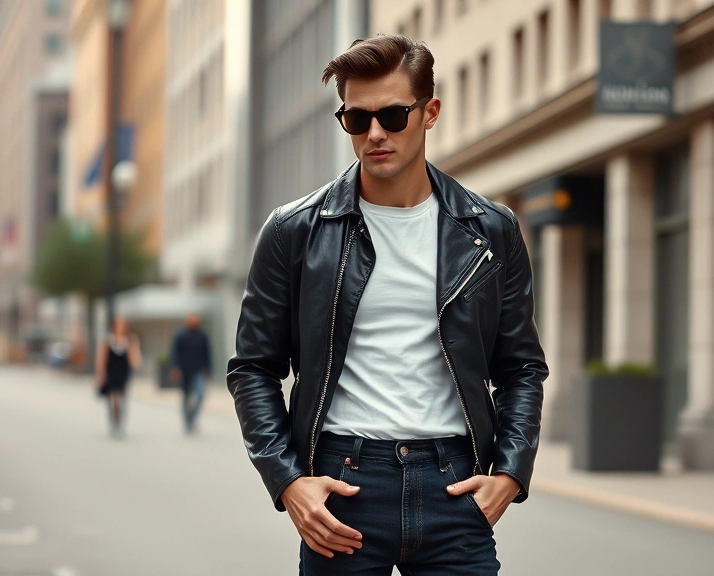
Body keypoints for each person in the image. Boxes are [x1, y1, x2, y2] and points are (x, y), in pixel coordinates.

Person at [227, 35, 547, 575]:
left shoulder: (490, 230)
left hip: (454, 487)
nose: (375, 133)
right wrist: (287, 481)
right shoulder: (295, 231)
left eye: (394, 115)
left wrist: (511, 474)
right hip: (344, 488)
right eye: (357, 119)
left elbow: (520, 367)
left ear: (430, 112)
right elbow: (253, 368)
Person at [95, 317, 141, 438]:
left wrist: (136, 364)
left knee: (121, 399)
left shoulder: (130, 340)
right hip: (111, 372)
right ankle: (114, 423)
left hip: (124, 373)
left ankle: (120, 423)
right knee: (113, 399)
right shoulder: (108, 340)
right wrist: (100, 375)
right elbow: (102, 359)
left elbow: (135, 357)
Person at [170, 312, 212, 435]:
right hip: (184, 371)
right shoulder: (180, 335)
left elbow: (207, 353)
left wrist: (208, 369)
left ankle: (192, 417)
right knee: (186, 397)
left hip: (198, 370)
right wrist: (175, 368)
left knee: (200, 395)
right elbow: (175, 352)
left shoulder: (203, 336)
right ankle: (187, 422)